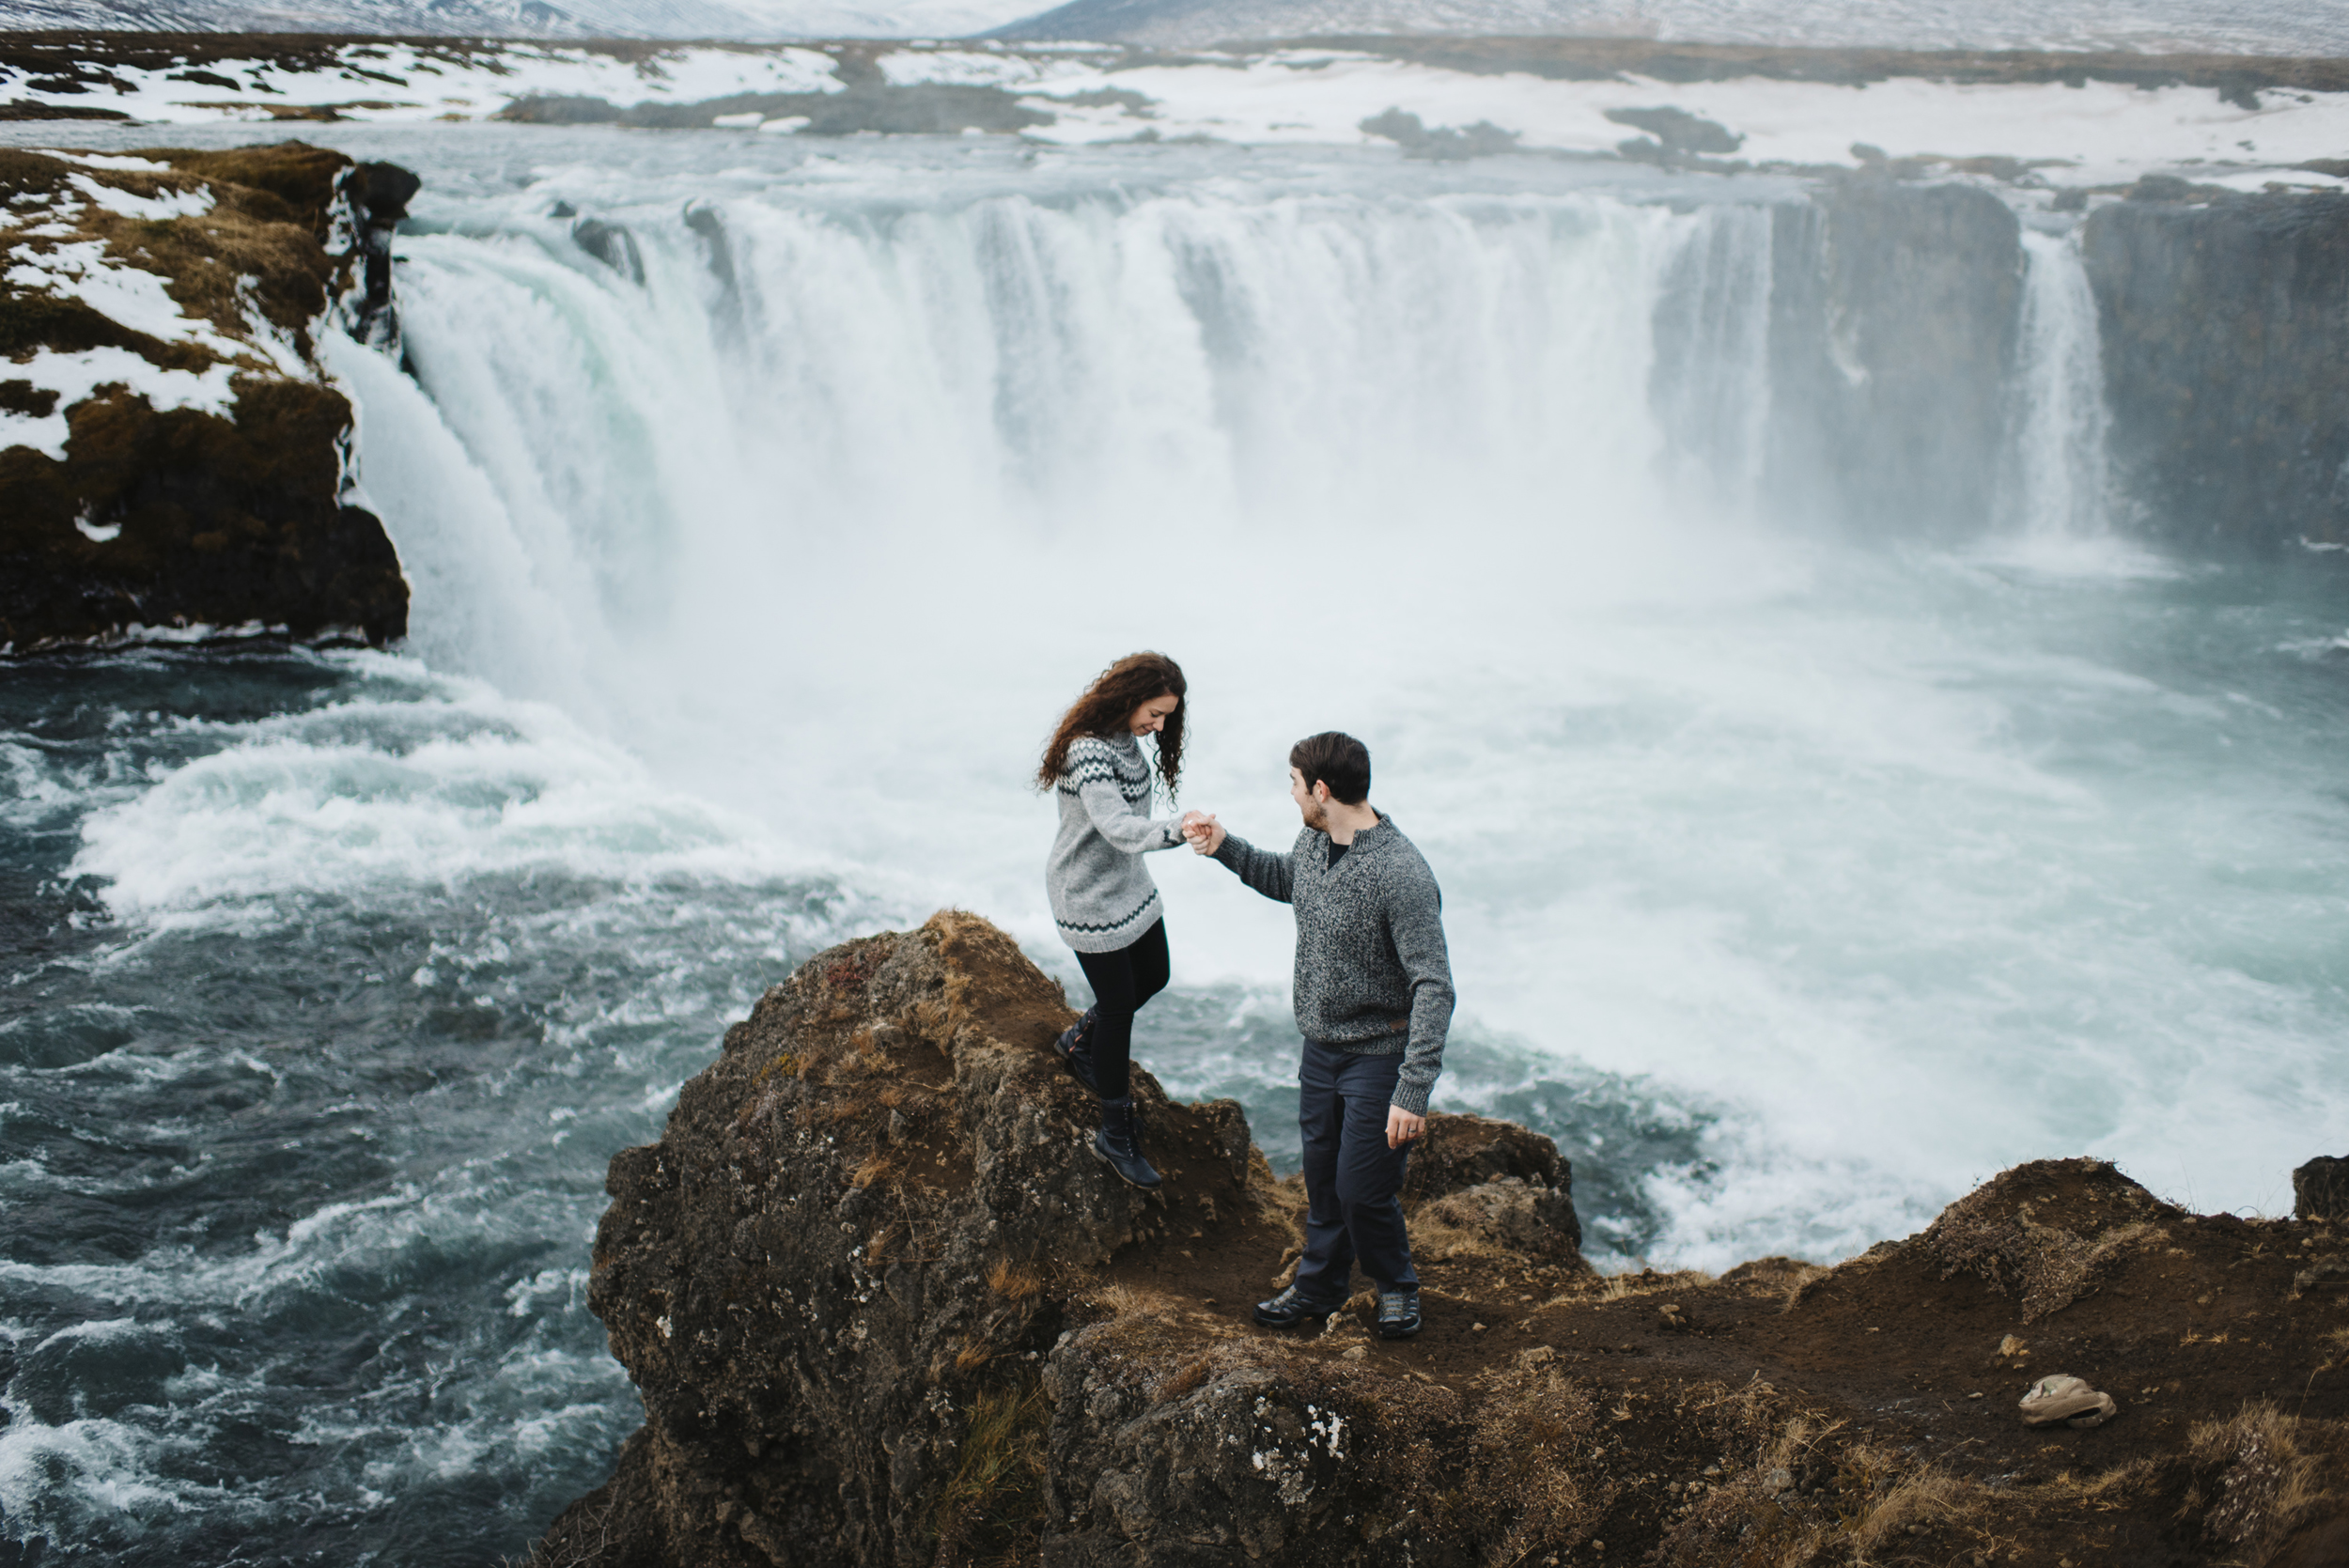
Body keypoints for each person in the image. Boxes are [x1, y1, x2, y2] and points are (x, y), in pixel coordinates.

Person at [1184, 731, 1453, 1340]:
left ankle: (1396, 1284)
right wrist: (1223, 846)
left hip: (1378, 1054)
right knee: (1323, 1179)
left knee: (1362, 1188)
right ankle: (1319, 1284)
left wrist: (1413, 1089)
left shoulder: (1402, 873)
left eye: (1294, 783)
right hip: (1320, 1047)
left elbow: (1434, 985)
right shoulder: (1313, 840)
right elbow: (1288, 882)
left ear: (1322, 789)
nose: (1292, 793)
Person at [1039, 652, 1194, 1191]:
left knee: (1155, 975)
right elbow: (1117, 827)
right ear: (1128, 698)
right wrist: (1177, 830)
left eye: (1167, 717)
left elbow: (1129, 835)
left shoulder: (1126, 741)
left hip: (1128, 885)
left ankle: (1080, 1039)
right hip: (1086, 894)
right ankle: (1114, 1131)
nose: (1159, 726)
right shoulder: (1086, 750)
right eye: (1154, 713)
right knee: (1121, 1006)